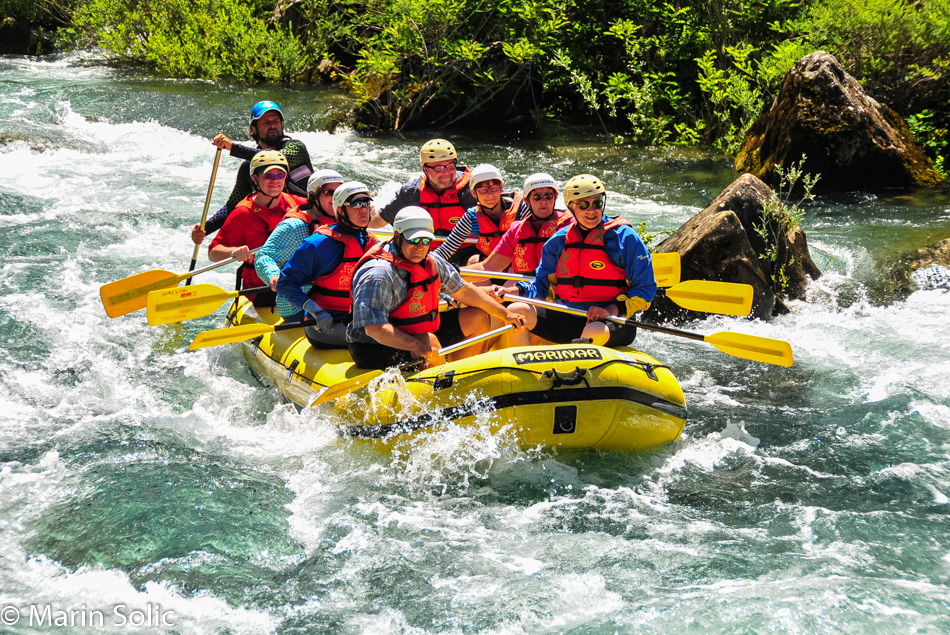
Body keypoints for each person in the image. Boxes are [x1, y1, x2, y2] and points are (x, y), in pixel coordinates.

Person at [347, 207, 533, 370]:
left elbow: (465, 291)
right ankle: (441, 384)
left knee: (477, 316)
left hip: (417, 330)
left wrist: (505, 314)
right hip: (371, 345)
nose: (420, 248)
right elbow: (374, 328)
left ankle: (461, 373)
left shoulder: (432, 261)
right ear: (397, 235)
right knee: (429, 341)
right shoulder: (377, 274)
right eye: (414, 240)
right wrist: (416, 346)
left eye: (426, 241)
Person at [503, 174, 656, 347]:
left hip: (611, 320)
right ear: (571, 207)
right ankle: (523, 368)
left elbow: (646, 288)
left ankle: (581, 370)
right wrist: (511, 292)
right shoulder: (558, 242)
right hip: (568, 316)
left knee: (594, 330)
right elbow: (541, 286)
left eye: (597, 203)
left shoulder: (625, 238)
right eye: (584, 204)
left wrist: (610, 310)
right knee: (516, 310)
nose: (591, 210)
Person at [192, 100, 313, 244]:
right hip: (276, 228)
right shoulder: (249, 168)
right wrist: (205, 228)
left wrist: (234, 148)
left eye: (276, 121)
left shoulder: (296, 148)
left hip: (305, 223)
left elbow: (276, 159)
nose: (273, 125)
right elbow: (232, 206)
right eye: (266, 122)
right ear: (254, 129)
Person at [276, 182, 380, 347]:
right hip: (325, 323)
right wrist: (313, 309)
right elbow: (285, 283)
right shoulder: (317, 244)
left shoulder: (371, 242)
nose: (363, 209)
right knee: (375, 343)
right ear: (340, 210)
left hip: (362, 318)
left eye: (366, 203)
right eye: (356, 204)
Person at [208, 151, 306, 305]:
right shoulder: (243, 213)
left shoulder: (296, 203)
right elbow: (213, 253)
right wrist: (233, 252)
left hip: (296, 281)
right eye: (268, 176)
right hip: (260, 289)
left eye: (280, 175)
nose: (275, 181)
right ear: (255, 178)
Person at [254, 169, 346, 319]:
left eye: (338, 193)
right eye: (329, 192)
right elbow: (264, 256)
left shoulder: (346, 220)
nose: (335, 198)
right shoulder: (295, 227)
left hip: (335, 300)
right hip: (298, 304)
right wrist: (273, 275)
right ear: (313, 196)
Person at [458, 172, 568, 277]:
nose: (543, 201)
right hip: (528, 285)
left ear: (555, 197)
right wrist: (452, 273)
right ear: (527, 201)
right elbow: (487, 267)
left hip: (559, 289)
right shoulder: (517, 230)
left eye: (548, 196)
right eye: (537, 197)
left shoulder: (569, 226)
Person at [434, 163, 528, 266]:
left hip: (518, 265)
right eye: (482, 190)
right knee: (473, 261)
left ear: (501, 188)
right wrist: (425, 262)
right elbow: (446, 249)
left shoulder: (521, 209)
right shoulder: (471, 218)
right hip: (490, 265)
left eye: (494, 188)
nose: (489, 194)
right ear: (474, 193)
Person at [376, 139, 476, 236]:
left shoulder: (474, 187)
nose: (446, 172)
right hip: (427, 249)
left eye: (450, 166)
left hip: (470, 249)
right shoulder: (412, 192)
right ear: (425, 170)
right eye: (439, 168)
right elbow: (379, 221)